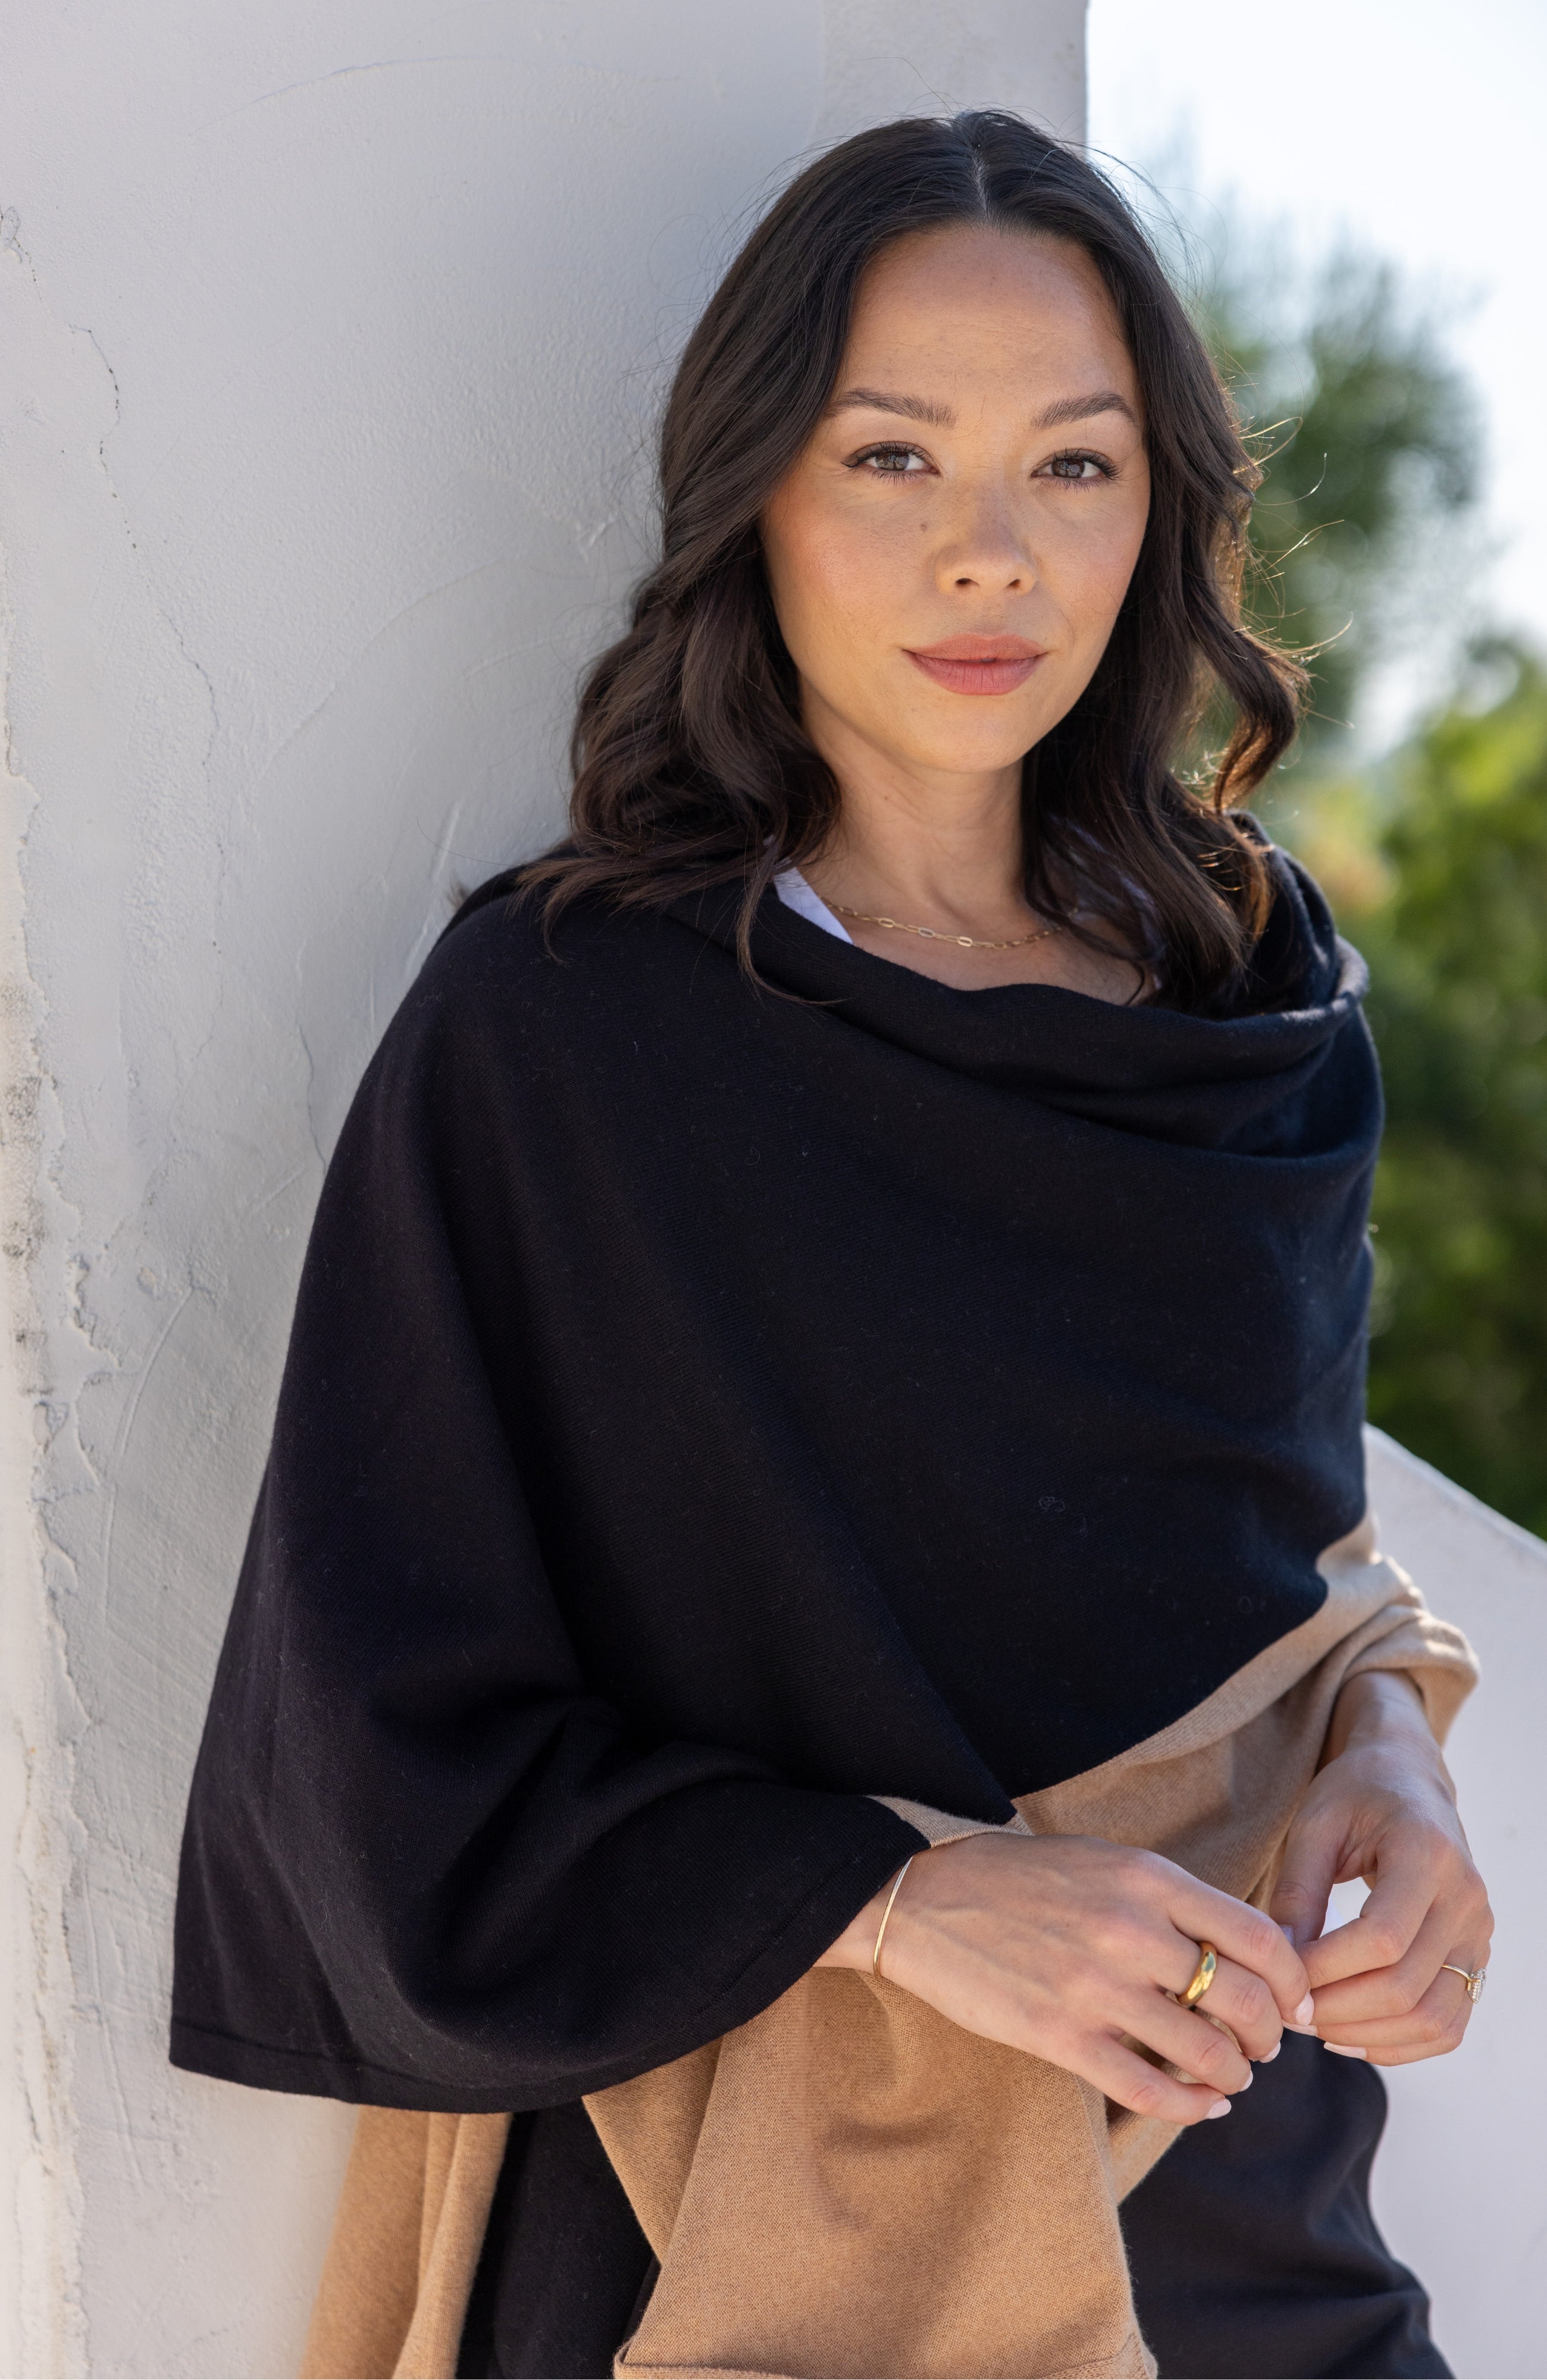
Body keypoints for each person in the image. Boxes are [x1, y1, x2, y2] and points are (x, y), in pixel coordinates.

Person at [170, 112, 1491, 2380]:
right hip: (752, 2263)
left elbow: (1281, 1572)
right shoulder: (567, 1033)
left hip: (1247, 2230)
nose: (991, 555)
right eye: (895, 458)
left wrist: (1395, 1751)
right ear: (757, 494)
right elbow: (369, 1752)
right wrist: (904, 1902)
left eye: (1075, 467)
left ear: (1161, 510)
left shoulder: (1256, 1016)